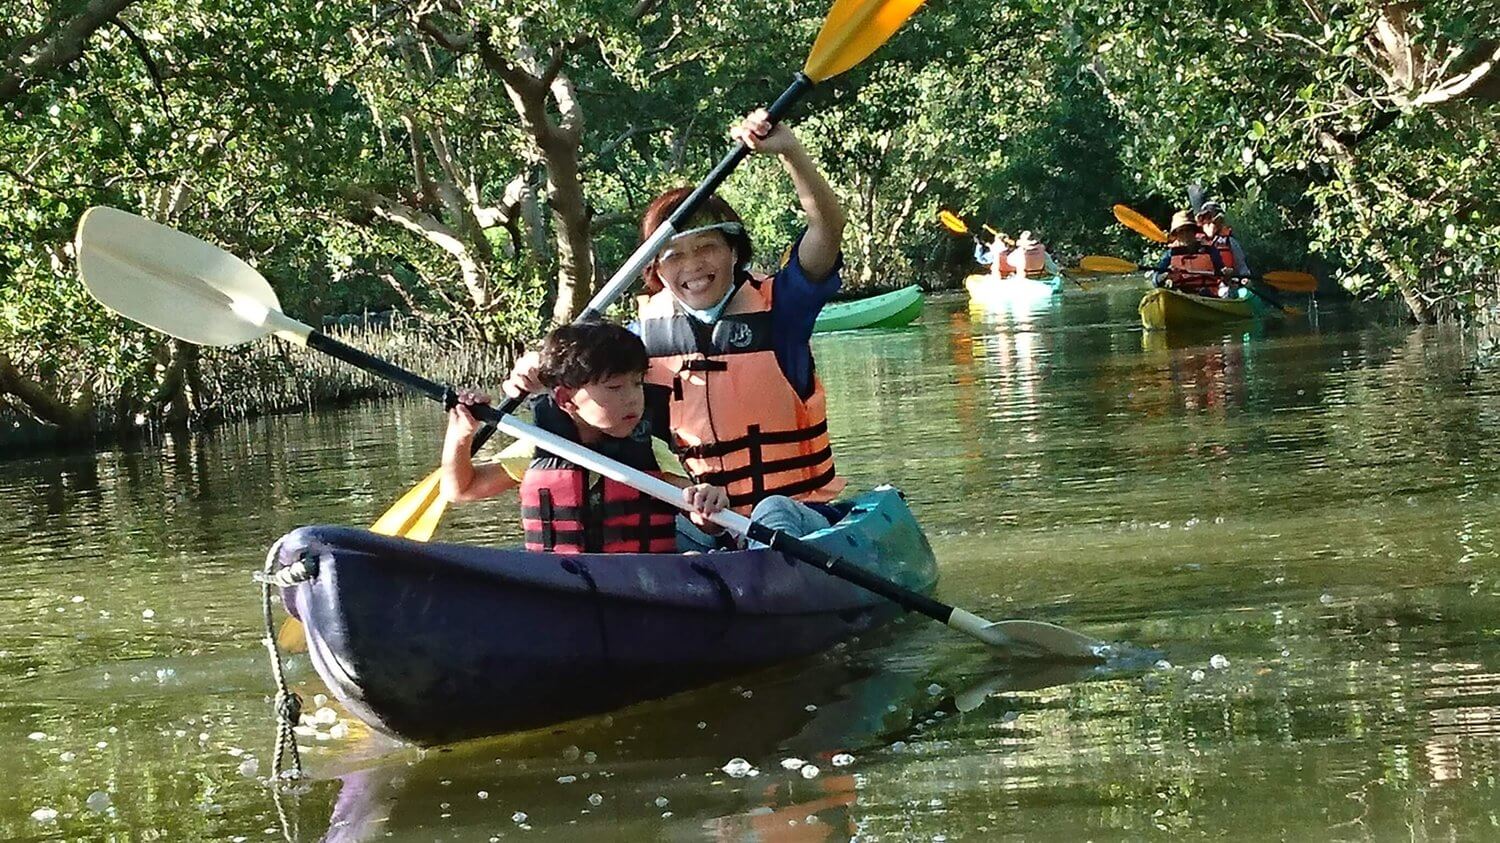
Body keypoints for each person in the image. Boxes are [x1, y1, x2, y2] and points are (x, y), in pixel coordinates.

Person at [507, 108, 847, 543]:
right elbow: (582, 381)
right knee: (631, 525)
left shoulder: (783, 310)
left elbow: (827, 228)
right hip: (713, 521)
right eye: (675, 256)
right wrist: (538, 372)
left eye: (707, 248)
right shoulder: (640, 342)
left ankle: (773, 570)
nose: (693, 266)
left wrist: (790, 152)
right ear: (656, 269)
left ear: (733, 252)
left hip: (802, 516)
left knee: (772, 511)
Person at [445, 321, 728, 554]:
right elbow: (461, 489)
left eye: (637, 383)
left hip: (638, 582)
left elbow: (705, 521)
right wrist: (461, 435)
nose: (633, 398)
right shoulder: (542, 445)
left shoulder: (652, 450)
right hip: (560, 583)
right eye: (615, 387)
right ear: (565, 399)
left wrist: (707, 502)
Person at [1152, 210, 1230, 296]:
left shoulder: (1210, 250)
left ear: (1194, 232)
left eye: (1188, 230)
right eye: (1181, 231)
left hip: (1208, 294)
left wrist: (1226, 274)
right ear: (1176, 234)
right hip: (1180, 294)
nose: (1185, 234)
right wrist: (1165, 275)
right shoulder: (1170, 254)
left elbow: (1221, 271)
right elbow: (1155, 280)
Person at [1196, 201, 1251, 279]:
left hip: (1227, 283)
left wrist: (1244, 279)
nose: (1209, 223)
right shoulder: (1196, 243)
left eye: (1212, 220)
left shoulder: (1230, 242)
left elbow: (1242, 268)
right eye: (1205, 220)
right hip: (1202, 283)